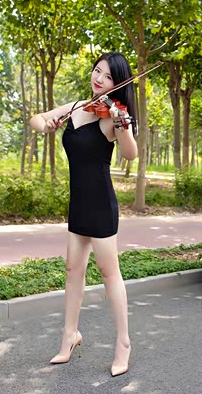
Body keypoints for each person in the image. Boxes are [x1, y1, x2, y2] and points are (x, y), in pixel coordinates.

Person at [29, 52, 138, 377]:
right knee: (72, 270)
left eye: (107, 76)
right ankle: (70, 336)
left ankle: (123, 343)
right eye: (97, 71)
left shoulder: (112, 117)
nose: (99, 79)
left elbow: (130, 153)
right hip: (78, 202)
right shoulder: (78, 107)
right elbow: (37, 118)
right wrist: (46, 125)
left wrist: (122, 125)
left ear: (117, 83)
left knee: (109, 273)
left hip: (101, 204)